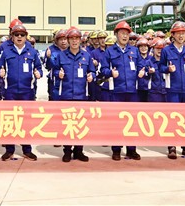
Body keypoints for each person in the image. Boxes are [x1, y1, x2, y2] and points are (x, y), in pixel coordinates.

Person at [0, 24, 42, 161]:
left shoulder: (32, 52)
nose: (19, 37)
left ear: (26, 36)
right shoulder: (6, 52)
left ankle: (27, 150)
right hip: (10, 91)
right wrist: (0, 72)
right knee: (10, 119)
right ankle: (9, 150)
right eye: (16, 35)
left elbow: (39, 67)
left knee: (26, 121)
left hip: (27, 92)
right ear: (12, 37)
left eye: (22, 35)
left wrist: (38, 73)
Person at [100, 21, 141, 161]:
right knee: (117, 122)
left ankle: (131, 150)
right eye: (122, 33)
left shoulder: (134, 51)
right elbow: (103, 70)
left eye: (127, 33)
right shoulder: (110, 51)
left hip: (132, 92)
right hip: (116, 92)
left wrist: (143, 71)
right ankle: (116, 149)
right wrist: (110, 73)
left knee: (132, 122)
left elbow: (141, 65)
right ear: (116, 35)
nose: (124, 36)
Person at [159, 22, 185, 160]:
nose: (181, 36)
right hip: (173, 90)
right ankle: (171, 146)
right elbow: (160, 67)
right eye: (178, 33)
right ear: (173, 35)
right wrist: (167, 69)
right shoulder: (166, 51)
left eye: (183, 33)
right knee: (173, 118)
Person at [54, 27, 95, 162]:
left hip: (81, 96)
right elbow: (54, 71)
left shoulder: (86, 56)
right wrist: (58, 74)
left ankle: (79, 151)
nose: (74, 41)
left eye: (77, 38)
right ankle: (67, 151)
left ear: (80, 40)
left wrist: (91, 76)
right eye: (72, 38)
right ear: (68, 40)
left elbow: (92, 71)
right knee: (68, 124)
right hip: (66, 95)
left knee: (80, 124)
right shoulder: (61, 55)